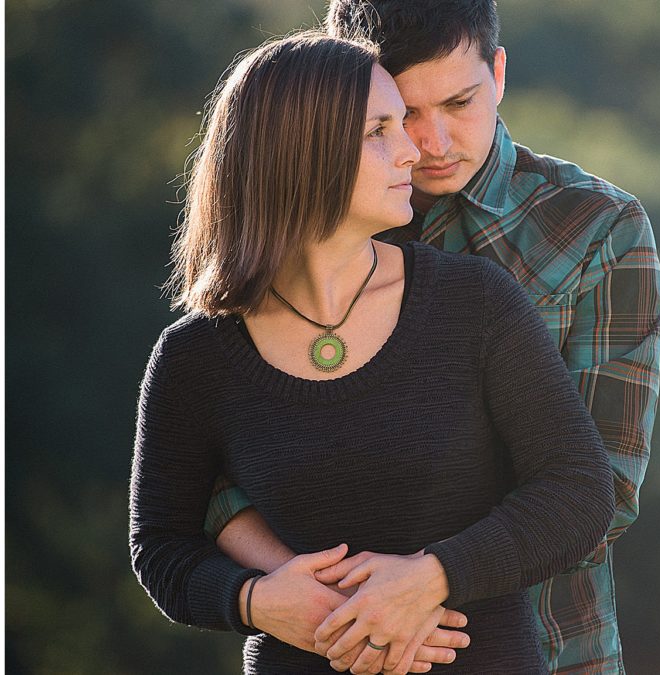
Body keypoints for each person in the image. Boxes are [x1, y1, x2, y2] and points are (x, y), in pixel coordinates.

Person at [129, 31, 615, 675]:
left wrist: (431, 579)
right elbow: (161, 546)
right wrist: (256, 600)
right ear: (299, 154)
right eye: (379, 130)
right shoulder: (195, 357)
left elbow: (579, 492)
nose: (412, 150)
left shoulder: (474, 303)